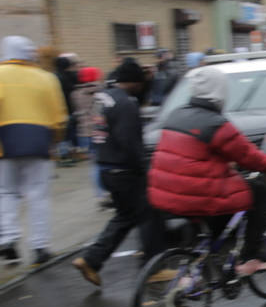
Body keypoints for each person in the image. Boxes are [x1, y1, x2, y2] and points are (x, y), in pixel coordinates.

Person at [146, 66, 266, 275]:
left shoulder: (176, 115)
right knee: (259, 190)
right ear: (220, 92)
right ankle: (253, 254)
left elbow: (192, 156)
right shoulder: (215, 124)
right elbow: (249, 156)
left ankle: (197, 268)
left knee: (210, 211)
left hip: (165, 193)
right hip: (197, 193)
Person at [71, 59, 167, 287]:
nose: (141, 87)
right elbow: (129, 141)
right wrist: (145, 168)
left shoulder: (103, 98)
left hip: (106, 166)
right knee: (151, 213)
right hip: (126, 170)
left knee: (125, 216)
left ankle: (91, 260)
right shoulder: (126, 104)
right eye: (139, 83)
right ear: (133, 82)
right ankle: (155, 267)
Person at [0, 36, 68, 267]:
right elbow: (59, 117)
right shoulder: (46, 78)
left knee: (6, 192)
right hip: (39, 140)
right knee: (38, 194)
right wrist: (55, 141)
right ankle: (39, 247)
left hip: (4, 141)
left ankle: (8, 238)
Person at [70, 66, 110, 207]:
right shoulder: (101, 92)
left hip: (84, 132)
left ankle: (99, 194)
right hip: (99, 130)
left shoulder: (75, 94)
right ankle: (107, 192)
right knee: (104, 161)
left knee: (94, 164)